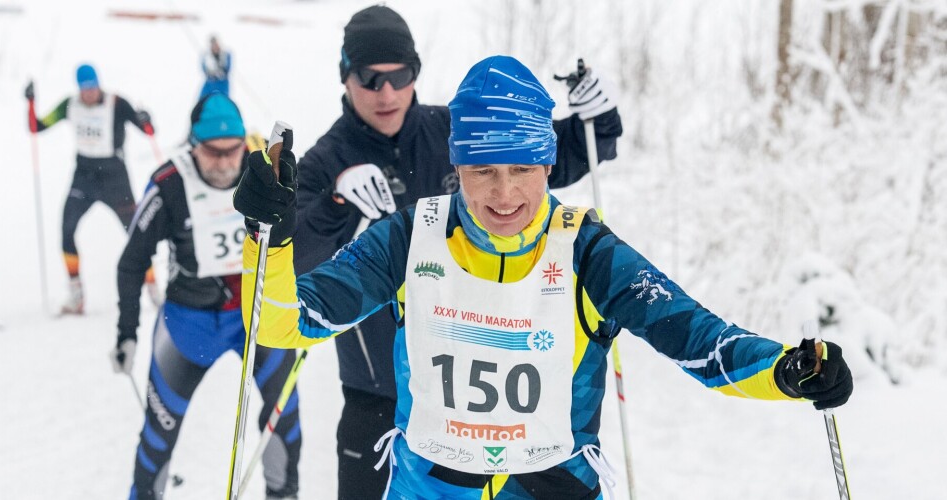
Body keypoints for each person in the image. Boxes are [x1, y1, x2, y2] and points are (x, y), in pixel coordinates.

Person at [233, 55, 854, 499]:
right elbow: (282, 323)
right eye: (481, 172)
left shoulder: (585, 248)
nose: (504, 195)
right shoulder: (410, 235)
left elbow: (702, 344)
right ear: (457, 167)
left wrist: (788, 370)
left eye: (522, 169)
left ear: (548, 162)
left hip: (554, 488)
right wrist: (272, 240)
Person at [294, 6, 623, 497]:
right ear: (345, 76)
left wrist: (596, 122)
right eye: (369, 78)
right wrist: (335, 204)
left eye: (399, 75)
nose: (386, 93)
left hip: (478, 399)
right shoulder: (324, 161)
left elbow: (549, 160)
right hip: (377, 392)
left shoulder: (451, 133)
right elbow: (294, 261)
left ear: (415, 72)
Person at [112, 93, 301, 500]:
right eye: (210, 152)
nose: (222, 162)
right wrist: (126, 332)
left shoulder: (265, 173)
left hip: (257, 314)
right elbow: (131, 263)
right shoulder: (169, 183)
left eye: (231, 151)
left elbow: (304, 233)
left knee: (282, 422)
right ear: (192, 145)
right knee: (159, 432)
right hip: (188, 320)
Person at [24, 63, 158, 314]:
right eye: (85, 89)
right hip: (84, 177)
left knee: (137, 233)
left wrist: (146, 119)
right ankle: (76, 296)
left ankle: (154, 290)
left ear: (99, 84)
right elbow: (36, 127)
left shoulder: (117, 103)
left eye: (93, 87)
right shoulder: (69, 105)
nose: (89, 93)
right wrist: (30, 102)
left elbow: (148, 131)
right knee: (66, 230)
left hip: (115, 178)